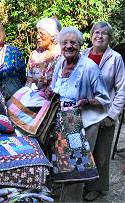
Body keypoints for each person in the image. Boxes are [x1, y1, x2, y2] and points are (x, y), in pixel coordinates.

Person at [49, 26, 110, 202]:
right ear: (60, 45)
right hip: (61, 121)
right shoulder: (59, 63)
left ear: (80, 45)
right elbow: (54, 89)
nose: (68, 46)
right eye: (65, 43)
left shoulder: (89, 67)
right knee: (63, 165)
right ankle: (63, 197)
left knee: (77, 167)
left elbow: (104, 98)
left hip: (83, 124)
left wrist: (87, 101)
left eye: (73, 43)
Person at [81, 21, 125, 201]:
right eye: (96, 32)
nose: (99, 36)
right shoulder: (83, 54)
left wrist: (113, 114)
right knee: (84, 152)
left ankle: (97, 188)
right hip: (84, 111)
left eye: (104, 33)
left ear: (109, 38)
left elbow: (122, 88)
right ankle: (82, 182)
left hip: (105, 113)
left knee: (102, 154)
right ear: (91, 35)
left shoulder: (115, 58)